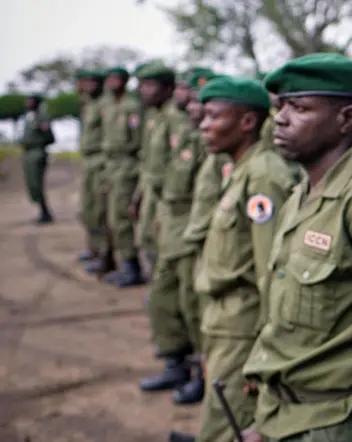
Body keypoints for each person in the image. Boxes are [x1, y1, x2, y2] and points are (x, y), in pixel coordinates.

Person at [240, 53, 352, 442]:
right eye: (281, 107)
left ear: (346, 119)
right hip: (288, 413)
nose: (281, 119)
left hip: (343, 420)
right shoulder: (301, 195)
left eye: (300, 107)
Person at [195, 76, 298, 442]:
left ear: (247, 122)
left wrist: (262, 349)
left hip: (242, 326)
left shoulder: (264, 175)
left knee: (225, 429)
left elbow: (271, 270)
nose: (203, 125)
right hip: (222, 320)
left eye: (213, 116)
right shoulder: (239, 169)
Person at [139, 69, 215, 407]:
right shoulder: (182, 131)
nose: (192, 103)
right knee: (165, 298)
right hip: (171, 225)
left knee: (192, 305)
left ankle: (203, 374)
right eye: (187, 93)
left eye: (199, 98)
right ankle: (177, 363)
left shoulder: (210, 140)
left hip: (190, 230)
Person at [131, 62, 189, 279]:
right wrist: (139, 193)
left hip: (168, 198)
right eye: (141, 85)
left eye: (149, 85)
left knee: (165, 245)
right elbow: (148, 162)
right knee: (147, 239)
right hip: (151, 192)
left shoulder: (176, 119)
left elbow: (181, 166)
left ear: (167, 88)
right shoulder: (154, 117)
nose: (142, 90)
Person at [101, 66, 145, 287]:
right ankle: (124, 262)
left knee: (122, 217)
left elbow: (139, 140)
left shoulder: (131, 106)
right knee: (112, 217)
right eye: (109, 78)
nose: (111, 82)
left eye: (116, 78)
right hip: (111, 164)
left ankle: (132, 266)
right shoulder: (109, 106)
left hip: (127, 165)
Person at [74, 69, 110, 265]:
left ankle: (104, 253)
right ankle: (94, 249)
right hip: (88, 161)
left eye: (89, 82)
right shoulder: (88, 104)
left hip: (100, 161)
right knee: (87, 208)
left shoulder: (106, 105)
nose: (84, 87)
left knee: (100, 209)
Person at [19, 93, 55, 224]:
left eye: (30, 100)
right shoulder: (28, 116)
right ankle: (43, 211)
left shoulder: (41, 116)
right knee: (32, 184)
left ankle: (45, 213)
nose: (27, 103)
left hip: (37, 152)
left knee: (36, 184)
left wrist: (41, 138)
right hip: (28, 153)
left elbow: (50, 137)